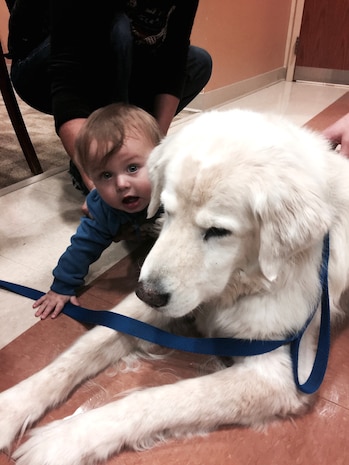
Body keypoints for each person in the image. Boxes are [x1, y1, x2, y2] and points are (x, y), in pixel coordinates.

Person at [7, 0, 212, 193]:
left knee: (198, 62)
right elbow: (66, 80)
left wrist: (152, 155)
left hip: (121, 51)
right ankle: (100, 153)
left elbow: (173, 63)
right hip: (41, 65)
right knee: (117, 29)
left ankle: (128, 149)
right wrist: (94, 181)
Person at [33, 102, 163, 319]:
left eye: (132, 168)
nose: (121, 184)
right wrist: (61, 287)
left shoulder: (175, 192)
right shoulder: (104, 210)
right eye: (106, 175)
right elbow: (82, 247)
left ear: (160, 159)